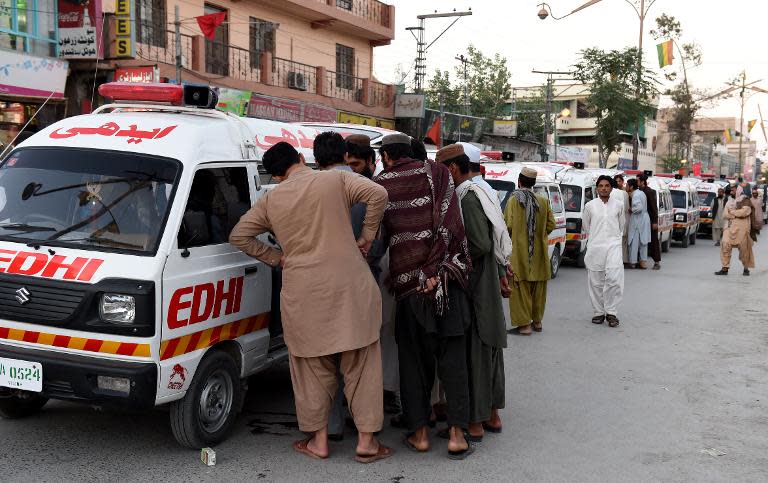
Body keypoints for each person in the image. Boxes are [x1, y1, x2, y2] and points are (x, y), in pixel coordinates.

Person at [229, 142, 392, 463]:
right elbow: (379, 195)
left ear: (276, 176)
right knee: (360, 364)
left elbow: (239, 235)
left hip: (303, 294)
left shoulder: (271, 199)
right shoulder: (333, 180)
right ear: (302, 159)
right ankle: (366, 442)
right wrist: (367, 236)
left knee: (311, 369)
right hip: (350, 288)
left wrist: (276, 259)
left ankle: (318, 442)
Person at [374, 133, 474, 460]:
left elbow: (377, 242)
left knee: (413, 364)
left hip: (409, 289)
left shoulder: (381, 184)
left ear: (387, 156)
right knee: (453, 361)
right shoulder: (439, 174)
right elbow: (453, 226)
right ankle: (458, 435)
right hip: (447, 283)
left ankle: (419, 435)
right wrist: (434, 270)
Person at [437, 143, 508, 442]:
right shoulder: (484, 191)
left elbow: (479, 244)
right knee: (488, 350)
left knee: (477, 353)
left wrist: (449, 259)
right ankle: (492, 415)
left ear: (453, 168)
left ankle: (476, 422)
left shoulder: (467, 198)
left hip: (477, 285)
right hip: (488, 281)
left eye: (444, 172)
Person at [346, 134, 400, 416]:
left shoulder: (380, 189)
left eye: (356, 164)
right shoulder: (344, 187)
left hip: (381, 269)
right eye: (349, 165)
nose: (352, 170)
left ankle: (385, 391)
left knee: (383, 332)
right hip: (351, 275)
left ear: (371, 161)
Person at [504, 166, 555, 336]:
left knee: (519, 289)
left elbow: (508, 225)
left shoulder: (514, 200)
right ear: (533, 183)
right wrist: (539, 236)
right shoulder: (543, 201)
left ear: (519, 181)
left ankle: (524, 326)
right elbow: (551, 224)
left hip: (519, 255)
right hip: (539, 255)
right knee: (538, 289)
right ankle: (537, 321)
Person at [583, 176, 625, 327]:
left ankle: (612, 312)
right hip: (596, 246)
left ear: (611, 188)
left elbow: (622, 226)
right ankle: (599, 312)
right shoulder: (590, 206)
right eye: (601, 186)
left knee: (614, 278)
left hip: (613, 245)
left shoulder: (619, 205)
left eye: (607, 186)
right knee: (596, 280)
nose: (604, 188)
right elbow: (586, 226)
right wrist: (596, 238)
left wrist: (613, 239)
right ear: (597, 188)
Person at [715, 185, 757, 276]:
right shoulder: (729, 202)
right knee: (725, 244)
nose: (731, 192)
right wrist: (735, 215)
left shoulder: (745, 200)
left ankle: (746, 268)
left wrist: (732, 212)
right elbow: (725, 214)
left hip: (742, 229)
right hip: (729, 227)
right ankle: (725, 268)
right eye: (731, 191)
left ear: (738, 191)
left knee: (744, 249)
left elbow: (744, 212)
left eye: (733, 191)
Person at [637, 174, 661, 270]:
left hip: (650, 220)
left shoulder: (649, 192)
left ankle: (657, 262)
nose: (636, 182)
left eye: (638, 180)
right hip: (640, 220)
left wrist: (654, 221)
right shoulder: (638, 191)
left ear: (642, 182)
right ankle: (641, 261)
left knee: (653, 241)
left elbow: (654, 208)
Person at [627, 179, 651, 269]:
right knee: (643, 241)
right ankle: (643, 262)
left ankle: (633, 262)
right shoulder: (641, 193)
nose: (626, 187)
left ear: (631, 187)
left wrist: (631, 210)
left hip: (638, 220)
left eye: (627, 185)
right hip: (644, 219)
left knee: (634, 241)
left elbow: (639, 207)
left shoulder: (636, 195)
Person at [613, 174, 631, 266]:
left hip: (613, 221)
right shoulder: (624, 194)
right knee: (623, 242)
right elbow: (627, 208)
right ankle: (623, 260)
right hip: (623, 219)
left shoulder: (610, 193)